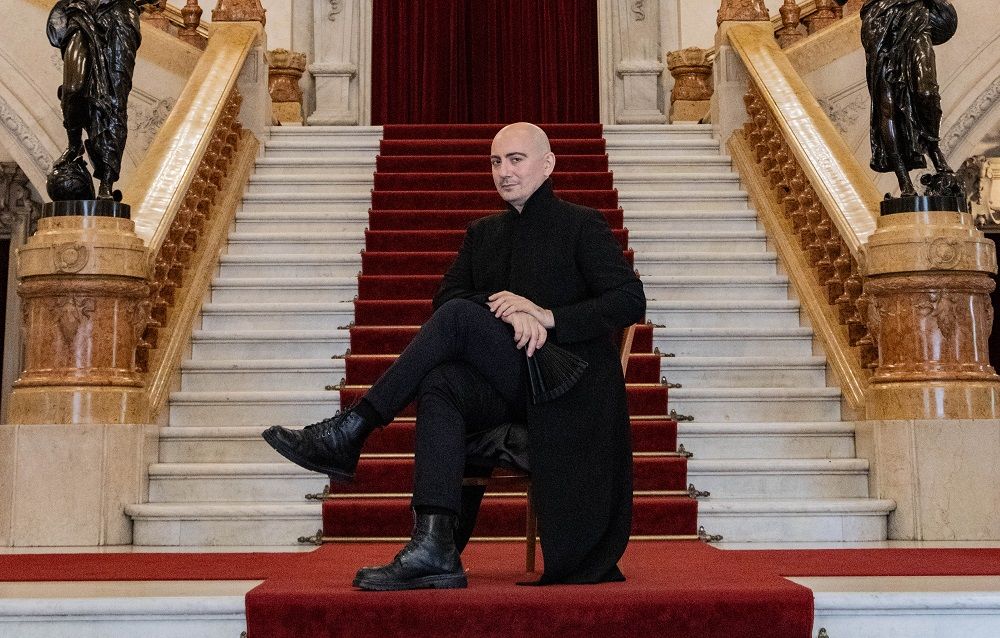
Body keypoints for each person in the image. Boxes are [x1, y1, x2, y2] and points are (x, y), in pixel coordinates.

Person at [263, 122, 645, 590]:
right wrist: (508, 311)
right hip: (513, 379)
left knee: (462, 319)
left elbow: (629, 300)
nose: (504, 171)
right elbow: (446, 301)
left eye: (516, 159)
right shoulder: (483, 233)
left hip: (567, 386)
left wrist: (545, 316)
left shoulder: (581, 224)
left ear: (547, 165)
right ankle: (434, 544)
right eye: (495, 161)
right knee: (441, 380)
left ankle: (353, 428)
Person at [838, 0, 959, 196]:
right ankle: (904, 180)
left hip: (915, 14)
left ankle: (933, 147)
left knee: (926, 92)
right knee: (888, 106)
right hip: (879, 20)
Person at [46, 0, 149, 200]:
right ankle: (74, 145)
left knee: (114, 103)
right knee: (73, 89)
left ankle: (106, 182)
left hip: (119, 18)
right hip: (82, 12)